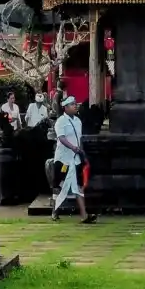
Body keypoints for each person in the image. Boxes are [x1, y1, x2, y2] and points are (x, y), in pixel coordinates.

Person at [52, 95, 95, 223]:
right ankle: (55, 211)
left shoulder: (78, 121)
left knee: (78, 186)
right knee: (58, 185)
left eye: (75, 104)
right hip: (63, 158)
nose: (75, 106)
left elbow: (79, 139)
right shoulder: (60, 121)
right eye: (72, 104)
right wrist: (72, 147)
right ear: (65, 108)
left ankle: (84, 215)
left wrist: (81, 152)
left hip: (75, 158)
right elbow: (61, 138)